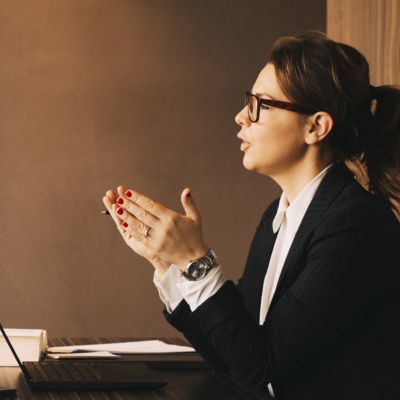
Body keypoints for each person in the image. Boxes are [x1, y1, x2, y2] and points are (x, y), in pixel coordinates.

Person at [103, 31, 400, 400]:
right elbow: (230, 353)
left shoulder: (355, 224)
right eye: (249, 101)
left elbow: (261, 363)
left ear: (316, 127)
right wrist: (169, 263)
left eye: (261, 104)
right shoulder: (279, 214)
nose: (241, 116)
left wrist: (196, 260)